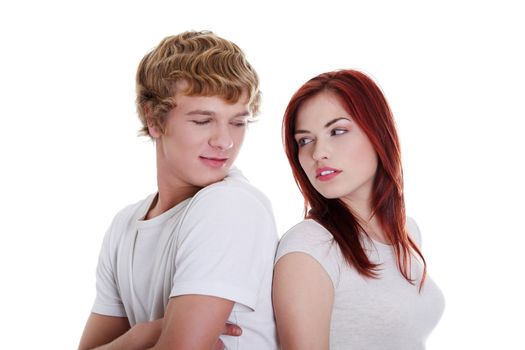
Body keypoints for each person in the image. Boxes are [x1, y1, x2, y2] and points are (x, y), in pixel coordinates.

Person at [78, 31, 279, 350]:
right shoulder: (125, 225)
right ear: (154, 120)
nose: (225, 141)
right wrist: (142, 334)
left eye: (238, 123)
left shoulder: (230, 206)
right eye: (202, 121)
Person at [273, 69, 445, 350]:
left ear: (377, 133)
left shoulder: (407, 232)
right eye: (305, 140)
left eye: (337, 131)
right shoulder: (310, 249)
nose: (318, 153)